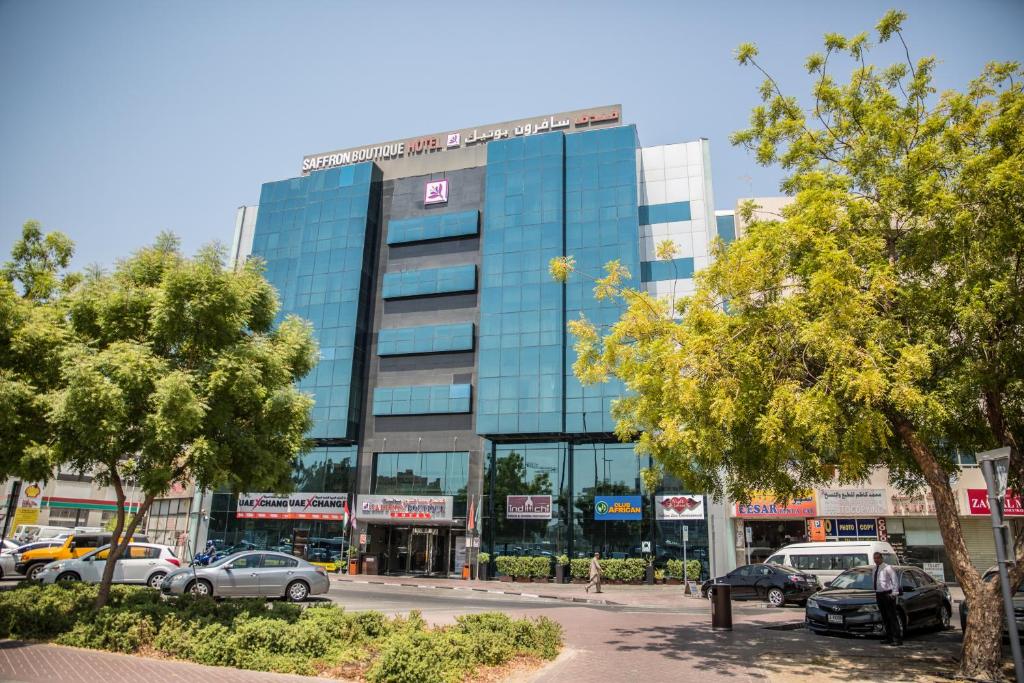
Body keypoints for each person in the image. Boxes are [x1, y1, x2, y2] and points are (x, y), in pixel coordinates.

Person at [873, 551, 902, 645]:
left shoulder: (887, 568)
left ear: (881, 558)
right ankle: (889, 637)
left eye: (878, 558)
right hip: (879, 594)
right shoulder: (874, 569)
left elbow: (895, 580)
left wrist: (894, 594)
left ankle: (897, 639)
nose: (876, 560)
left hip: (887, 594)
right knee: (885, 617)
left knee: (892, 617)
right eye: (875, 558)